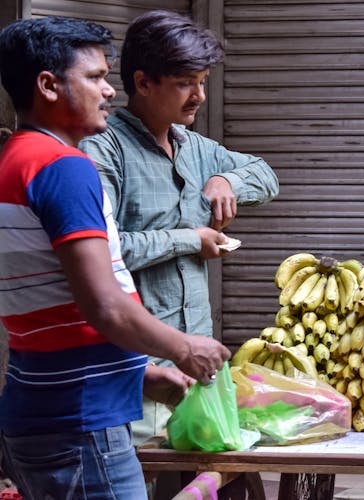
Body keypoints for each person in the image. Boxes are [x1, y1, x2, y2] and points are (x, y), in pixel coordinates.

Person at [0, 16, 231, 499]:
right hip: (80, 423)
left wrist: (141, 376)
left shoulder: (15, 160)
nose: (109, 91)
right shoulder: (64, 167)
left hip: (42, 409)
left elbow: (52, 312)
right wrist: (184, 347)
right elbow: (102, 306)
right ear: (47, 85)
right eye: (95, 77)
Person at [79, 9, 279, 445]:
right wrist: (191, 239)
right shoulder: (103, 149)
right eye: (186, 83)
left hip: (198, 365)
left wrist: (228, 179)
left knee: (199, 484)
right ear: (144, 83)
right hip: (140, 374)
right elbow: (101, 251)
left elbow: (266, 176)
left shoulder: (194, 146)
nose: (200, 96)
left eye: (203, 81)